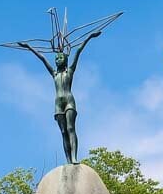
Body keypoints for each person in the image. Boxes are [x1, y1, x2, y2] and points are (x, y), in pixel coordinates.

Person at [16, 30, 102, 164]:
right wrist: (29, 47)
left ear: (66, 59)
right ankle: (68, 159)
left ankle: (74, 157)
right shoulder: (54, 74)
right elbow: (42, 58)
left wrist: (90, 37)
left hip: (69, 101)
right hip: (58, 103)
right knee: (63, 132)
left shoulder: (70, 71)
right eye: (56, 58)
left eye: (60, 57)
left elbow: (78, 51)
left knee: (70, 128)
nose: (57, 60)